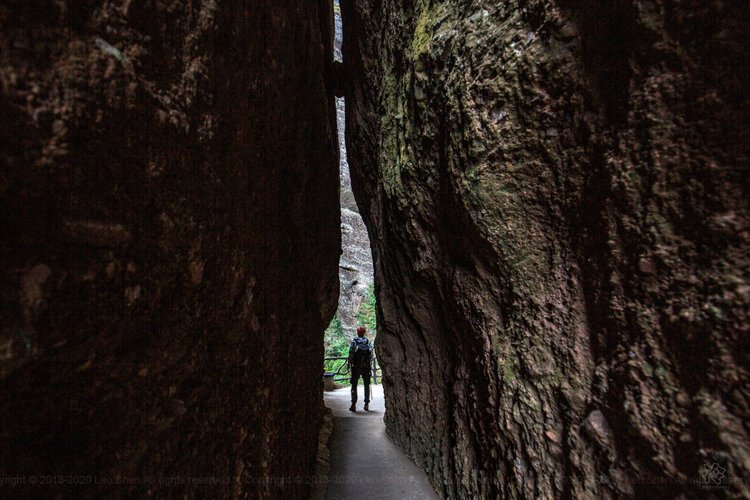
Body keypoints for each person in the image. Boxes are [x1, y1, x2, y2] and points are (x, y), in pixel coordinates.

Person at [348, 326, 372, 412]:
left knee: (354, 385)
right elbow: (370, 354)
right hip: (366, 366)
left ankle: (353, 404)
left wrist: (350, 362)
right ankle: (366, 404)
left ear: (357, 332)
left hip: (356, 366)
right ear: (364, 333)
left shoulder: (354, 341)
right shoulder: (367, 342)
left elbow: (351, 352)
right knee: (366, 385)